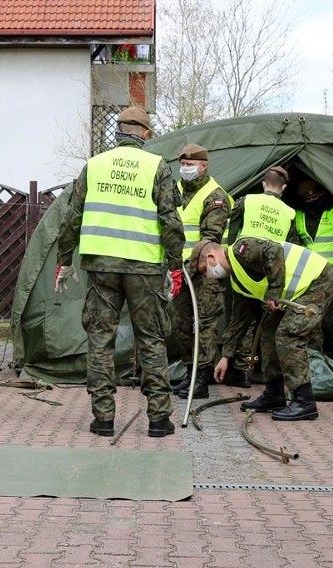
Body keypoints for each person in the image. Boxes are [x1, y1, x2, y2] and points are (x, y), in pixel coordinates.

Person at [56, 106, 185, 438]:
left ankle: (103, 419)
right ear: (144, 134)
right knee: (151, 340)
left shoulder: (94, 166)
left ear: (118, 132)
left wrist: (64, 258)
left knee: (100, 341)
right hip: (143, 268)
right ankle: (158, 419)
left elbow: (72, 217)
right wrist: (175, 266)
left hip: (101, 267)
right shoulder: (156, 167)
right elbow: (170, 221)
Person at [194, 238, 333, 420]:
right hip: (297, 293)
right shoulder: (238, 280)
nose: (208, 275)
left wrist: (273, 293)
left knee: (288, 336)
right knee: (268, 333)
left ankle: (304, 401)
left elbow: (274, 250)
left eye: (204, 269)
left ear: (211, 256)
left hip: (319, 280)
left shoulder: (241, 250)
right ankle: (274, 394)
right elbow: (239, 319)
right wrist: (226, 356)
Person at [168, 143, 233, 400]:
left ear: (203, 166)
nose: (185, 169)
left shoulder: (215, 195)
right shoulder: (175, 191)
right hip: (179, 269)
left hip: (206, 269)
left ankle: (202, 378)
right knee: (182, 324)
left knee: (204, 324)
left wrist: (191, 264)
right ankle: (189, 373)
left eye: (190, 165)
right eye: (182, 165)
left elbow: (210, 237)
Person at [223, 166, 298, 387]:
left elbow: (230, 232)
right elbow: (291, 247)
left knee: (241, 319)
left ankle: (241, 371)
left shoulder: (246, 201)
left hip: (244, 269)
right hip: (271, 276)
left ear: (263, 184)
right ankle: (268, 375)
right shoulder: (289, 212)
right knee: (268, 324)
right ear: (283, 188)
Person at [294, 178, 333, 362]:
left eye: (314, 193)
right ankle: (317, 364)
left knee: (332, 324)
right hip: (311, 279)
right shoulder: (298, 215)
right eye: (306, 195)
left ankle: (332, 363)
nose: (311, 197)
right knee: (313, 322)